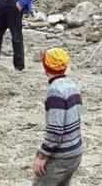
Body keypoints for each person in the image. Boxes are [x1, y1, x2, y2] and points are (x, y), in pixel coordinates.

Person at [33, 48, 84, 186]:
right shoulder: (72, 86)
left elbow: (55, 132)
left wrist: (42, 155)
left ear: (45, 67)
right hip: (75, 153)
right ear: (66, 66)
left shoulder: (55, 91)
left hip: (61, 157)